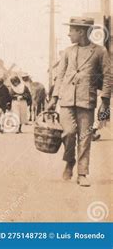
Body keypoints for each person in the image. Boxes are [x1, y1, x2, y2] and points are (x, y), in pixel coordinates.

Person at [46, 17, 111, 187]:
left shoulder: (100, 51)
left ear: (81, 32)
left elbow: (108, 76)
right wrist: (54, 98)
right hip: (67, 99)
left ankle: (82, 173)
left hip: (86, 100)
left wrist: (105, 101)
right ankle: (70, 161)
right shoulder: (67, 52)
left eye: (72, 30)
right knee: (68, 133)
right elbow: (60, 76)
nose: (69, 34)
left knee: (85, 137)